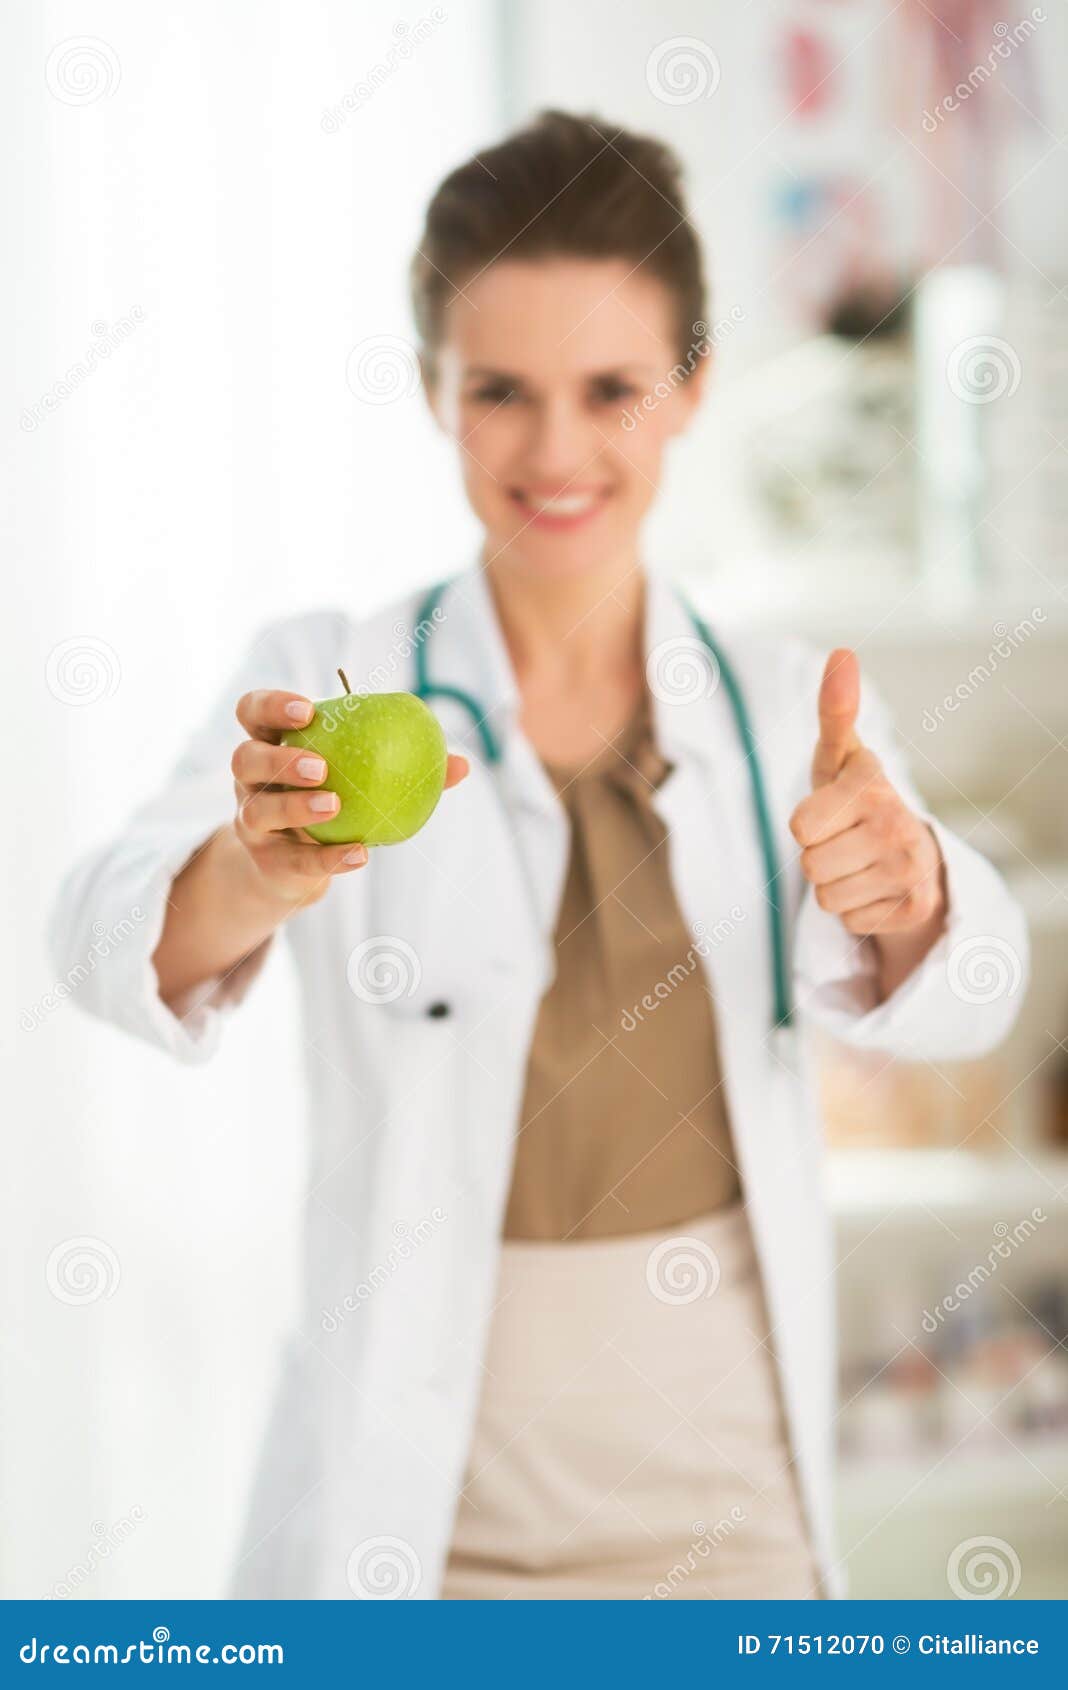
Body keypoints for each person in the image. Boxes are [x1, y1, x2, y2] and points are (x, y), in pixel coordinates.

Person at [50, 110, 1027, 1601]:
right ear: (436, 389)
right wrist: (249, 872)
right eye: (500, 390)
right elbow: (94, 931)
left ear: (692, 386)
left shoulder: (784, 707)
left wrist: (920, 899)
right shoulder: (325, 682)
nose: (556, 451)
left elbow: (973, 991)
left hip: (727, 1503)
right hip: (422, 1504)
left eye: (611, 388)